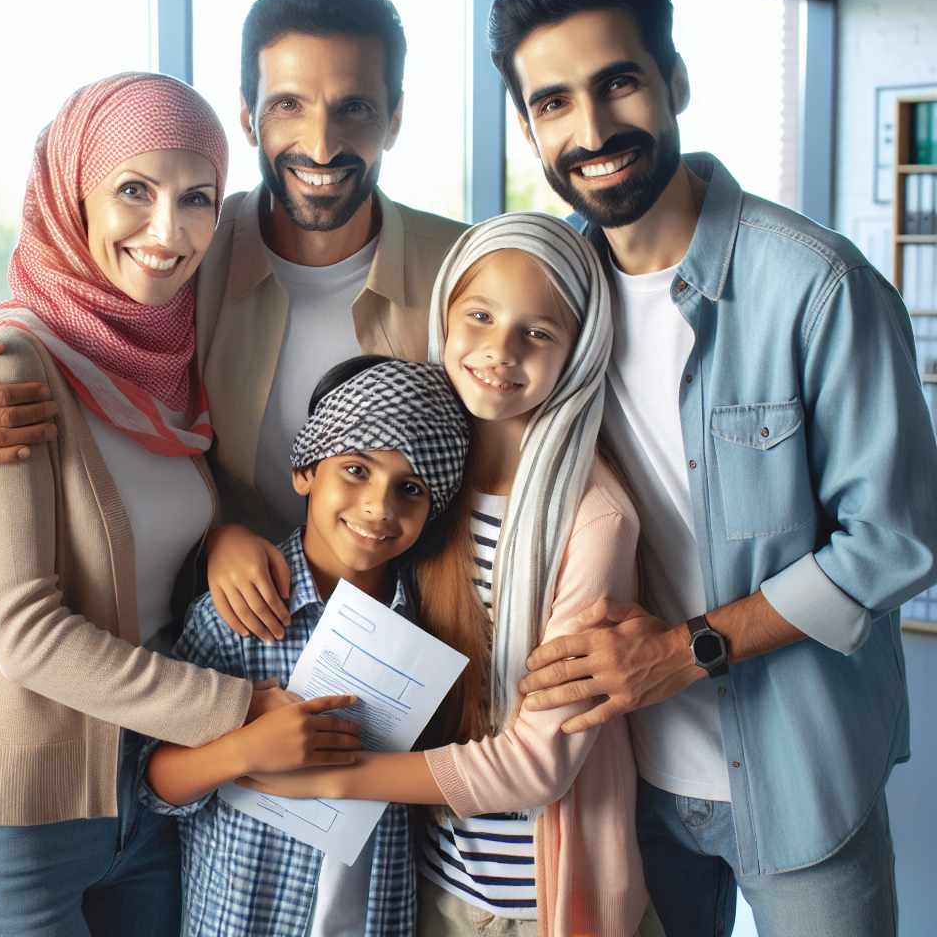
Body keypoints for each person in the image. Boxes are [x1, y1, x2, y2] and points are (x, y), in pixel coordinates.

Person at [484, 0, 937, 937]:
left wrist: (686, 652)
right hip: (619, 780)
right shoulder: (555, 299)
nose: (592, 130)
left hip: (801, 772)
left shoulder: (815, 285)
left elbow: (894, 541)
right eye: (554, 103)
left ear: (673, 82)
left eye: (619, 84)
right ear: (528, 126)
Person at [0, 0, 468, 642]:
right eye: (289, 105)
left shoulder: (465, 273)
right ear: (247, 115)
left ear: (396, 117)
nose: (321, 145)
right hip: (223, 645)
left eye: (354, 108)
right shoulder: (183, 259)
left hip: (419, 638)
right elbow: (60, 322)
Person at [0, 73, 314, 936]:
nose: (169, 232)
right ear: (73, 194)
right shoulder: (9, 366)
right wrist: (239, 712)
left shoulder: (164, 366)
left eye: (198, 198)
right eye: (135, 189)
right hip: (16, 820)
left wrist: (223, 536)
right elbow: (28, 635)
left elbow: (152, 549)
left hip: (155, 796)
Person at [241, 213, 655, 937]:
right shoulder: (426, 480)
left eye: (538, 332)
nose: (500, 351)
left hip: (539, 901)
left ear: (578, 350)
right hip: (430, 883)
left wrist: (330, 777)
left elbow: (538, 767)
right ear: (444, 315)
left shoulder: (594, 517)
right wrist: (224, 539)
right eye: (481, 316)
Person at [139, 357, 471, 937]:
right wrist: (245, 750)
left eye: (411, 488)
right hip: (241, 917)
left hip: (376, 914)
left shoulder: (429, 636)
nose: (380, 507)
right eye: (356, 469)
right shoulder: (235, 613)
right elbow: (154, 782)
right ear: (306, 471)